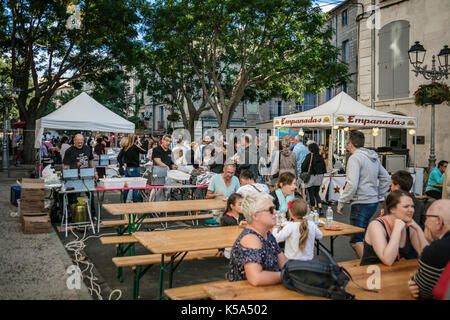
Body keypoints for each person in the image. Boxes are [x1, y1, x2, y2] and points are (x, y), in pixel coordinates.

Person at [337, 130, 391, 259]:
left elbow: (352, 184)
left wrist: (341, 201)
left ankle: (367, 269)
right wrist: (378, 194)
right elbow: (386, 178)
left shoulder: (355, 158)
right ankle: (370, 263)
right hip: (372, 201)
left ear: (350, 144)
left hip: (361, 201)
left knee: (356, 240)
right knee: (364, 237)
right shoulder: (373, 157)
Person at [228, 192, 288, 285]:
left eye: (274, 208)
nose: (275, 212)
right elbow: (256, 278)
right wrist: (287, 275)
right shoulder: (251, 239)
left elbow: (283, 262)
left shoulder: (266, 233)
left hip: (268, 289)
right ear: (255, 215)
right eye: (271, 209)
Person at [360, 190, 429, 266]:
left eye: (412, 206)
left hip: (396, 274)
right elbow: (388, 260)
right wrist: (397, 230)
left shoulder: (409, 225)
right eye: (406, 206)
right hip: (373, 274)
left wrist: (418, 229)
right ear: (392, 209)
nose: (411, 210)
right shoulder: (376, 225)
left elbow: (427, 256)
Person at [408, 200, 450, 299]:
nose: (425, 222)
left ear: (439, 221)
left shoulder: (437, 249)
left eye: (427, 218)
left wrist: (413, 281)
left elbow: (422, 291)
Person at [116, 134, 147, 202]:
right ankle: (135, 204)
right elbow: (145, 151)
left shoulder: (125, 147)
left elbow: (118, 158)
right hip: (135, 168)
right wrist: (140, 144)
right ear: (136, 140)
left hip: (127, 169)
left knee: (127, 187)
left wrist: (122, 165)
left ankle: (124, 202)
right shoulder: (135, 147)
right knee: (135, 187)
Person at [301, 142, 327, 214]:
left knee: (311, 193)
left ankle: (313, 208)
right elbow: (324, 168)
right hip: (319, 177)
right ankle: (320, 207)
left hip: (311, 177)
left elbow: (304, 166)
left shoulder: (309, 156)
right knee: (316, 193)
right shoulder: (320, 156)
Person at [219, 193, 245, 259]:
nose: (242, 206)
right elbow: (222, 235)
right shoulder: (225, 218)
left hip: (243, 244)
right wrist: (221, 250)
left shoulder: (243, 216)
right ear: (232, 206)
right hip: (230, 247)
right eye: (240, 204)